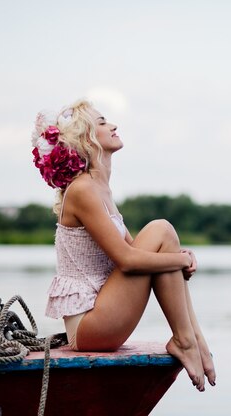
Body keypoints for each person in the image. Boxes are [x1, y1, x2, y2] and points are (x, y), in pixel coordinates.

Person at [31, 99, 216, 391]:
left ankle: (194, 340)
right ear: (86, 138)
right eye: (102, 122)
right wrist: (178, 261)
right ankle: (186, 340)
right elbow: (128, 260)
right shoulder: (83, 190)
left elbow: (139, 252)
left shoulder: (100, 188)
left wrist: (179, 256)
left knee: (164, 238)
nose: (113, 125)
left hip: (101, 316)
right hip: (88, 327)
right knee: (161, 229)